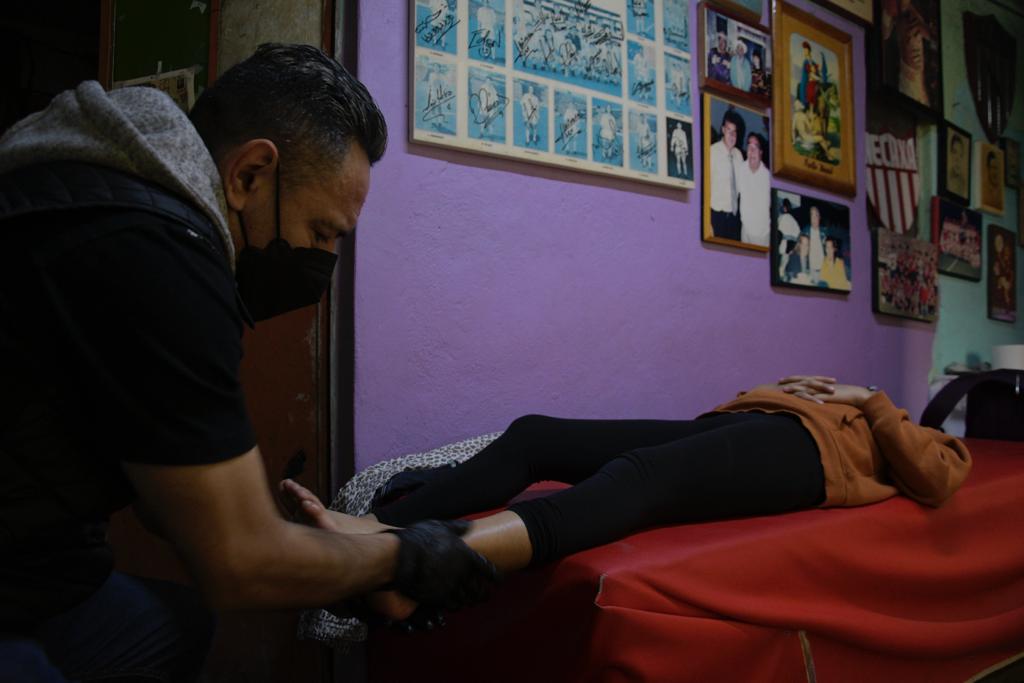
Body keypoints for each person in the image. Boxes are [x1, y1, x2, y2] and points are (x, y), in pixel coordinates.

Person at [0, 43, 496, 681]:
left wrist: (301, 545)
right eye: (321, 232)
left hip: (43, 567)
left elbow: (165, 504)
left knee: (175, 625)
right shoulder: (160, 253)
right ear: (250, 175)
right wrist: (405, 558)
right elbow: (237, 563)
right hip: (21, 585)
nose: (322, 260)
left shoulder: (92, 184)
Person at [282, 376, 972, 623]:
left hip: (806, 458)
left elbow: (935, 479)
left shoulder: (915, 430)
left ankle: (410, 566)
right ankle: (375, 521)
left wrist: (868, 399)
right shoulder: (828, 402)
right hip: (748, 429)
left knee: (639, 477)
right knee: (536, 434)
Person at [709, 108, 744, 241]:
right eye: (729, 131)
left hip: (734, 218)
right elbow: (705, 189)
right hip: (716, 216)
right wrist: (707, 222)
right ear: (723, 130)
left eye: (735, 132)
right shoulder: (712, 152)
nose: (732, 135)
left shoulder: (739, 155)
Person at [736, 132, 770, 246]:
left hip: (763, 235)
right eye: (749, 146)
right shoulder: (741, 169)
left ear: (761, 152)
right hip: (745, 232)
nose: (751, 151)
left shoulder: (767, 177)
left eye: (755, 147)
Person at [806, 204, 826, 280]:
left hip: (824, 270)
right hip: (810, 270)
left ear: (820, 217)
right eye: (812, 215)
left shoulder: (825, 232)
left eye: (816, 215)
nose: (814, 218)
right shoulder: (805, 232)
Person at [946, 133, 967, 198]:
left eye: (960, 155)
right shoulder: (947, 178)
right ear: (950, 153)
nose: (957, 159)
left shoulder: (963, 183)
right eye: (955, 152)